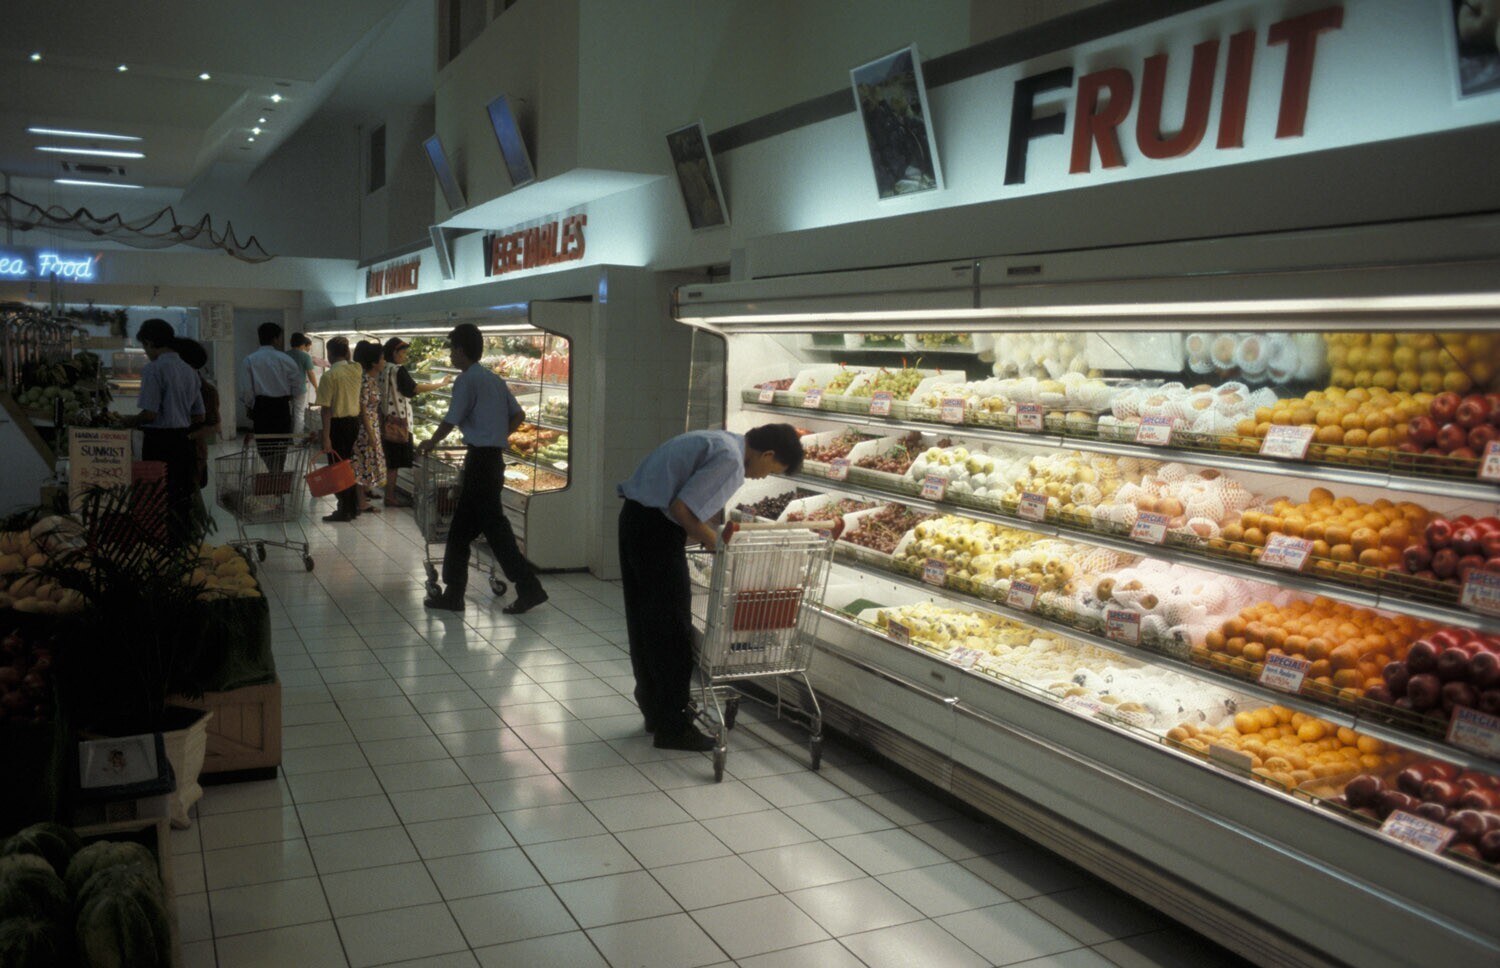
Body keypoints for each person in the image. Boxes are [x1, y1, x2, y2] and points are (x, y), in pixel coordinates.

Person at [616, 424, 803, 751]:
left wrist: (707, 533)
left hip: (635, 520)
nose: (764, 477)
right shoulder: (731, 460)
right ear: (768, 453)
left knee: (646, 623)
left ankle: (655, 710)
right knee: (672, 629)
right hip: (655, 532)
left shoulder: (720, 439)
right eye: (772, 469)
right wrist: (714, 541)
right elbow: (681, 510)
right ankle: (673, 728)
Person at [416, 323, 546, 614]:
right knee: (465, 531)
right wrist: (498, 436)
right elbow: (519, 414)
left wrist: (430, 442)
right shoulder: (493, 379)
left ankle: (528, 587)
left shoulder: (467, 380)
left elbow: (451, 418)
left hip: (480, 463)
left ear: (461, 350)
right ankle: (456, 594)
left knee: (493, 532)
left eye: (452, 349)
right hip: (492, 460)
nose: (451, 355)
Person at [120, 318, 203, 542]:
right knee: (180, 496)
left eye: (145, 347)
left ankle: (160, 544)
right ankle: (182, 544)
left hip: (159, 442)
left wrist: (127, 421)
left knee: (158, 496)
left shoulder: (153, 369)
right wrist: (179, 416)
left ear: (149, 342)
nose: (146, 352)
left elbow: (150, 414)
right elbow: (200, 415)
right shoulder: (190, 371)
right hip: (183, 442)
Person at [379, 336, 451, 507]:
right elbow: (415, 389)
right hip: (398, 422)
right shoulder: (398, 370)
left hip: (385, 419)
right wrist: (440, 384)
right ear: (395, 353)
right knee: (394, 462)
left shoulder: (383, 368)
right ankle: (390, 496)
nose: (405, 356)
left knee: (390, 460)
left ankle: (388, 493)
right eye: (403, 353)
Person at [238, 322, 302, 473]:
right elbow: (298, 387)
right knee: (281, 444)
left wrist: (250, 406)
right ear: (275, 339)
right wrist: (289, 397)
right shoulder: (286, 359)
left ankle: (273, 472)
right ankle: (277, 472)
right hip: (282, 407)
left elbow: (246, 390)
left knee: (264, 445)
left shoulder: (250, 360)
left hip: (261, 407)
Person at [315, 336, 363, 522]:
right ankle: (353, 507)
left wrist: (326, 437)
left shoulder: (329, 376)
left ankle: (344, 509)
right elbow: (349, 361)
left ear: (329, 353)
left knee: (337, 468)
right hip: (354, 423)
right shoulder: (356, 369)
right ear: (347, 352)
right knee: (349, 466)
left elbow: (326, 410)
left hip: (337, 426)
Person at [174, 338, 220, 493]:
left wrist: (185, 437)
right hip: (179, 451)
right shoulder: (172, 384)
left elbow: (214, 426)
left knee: (190, 494)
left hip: (193, 453)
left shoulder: (206, 391)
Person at [351, 340, 387, 516]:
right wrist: (371, 433)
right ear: (374, 362)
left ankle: (363, 496)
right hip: (365, 430)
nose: (384, 362)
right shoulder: (365, 380)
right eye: (382, 358)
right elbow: (363, 409)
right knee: (362, 464)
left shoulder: (370, 379)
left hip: (372, 427)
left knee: (366, 462)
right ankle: (361, 502)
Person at [288, 332, 318, 434]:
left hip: (285, 389)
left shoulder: (284, 355)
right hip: (299, 389)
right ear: (303, 343)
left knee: (286, 413)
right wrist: (316, 387)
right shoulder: (305, 356)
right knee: (299, 414)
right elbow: (310, 373)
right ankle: (297, 439)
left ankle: (286, 436)